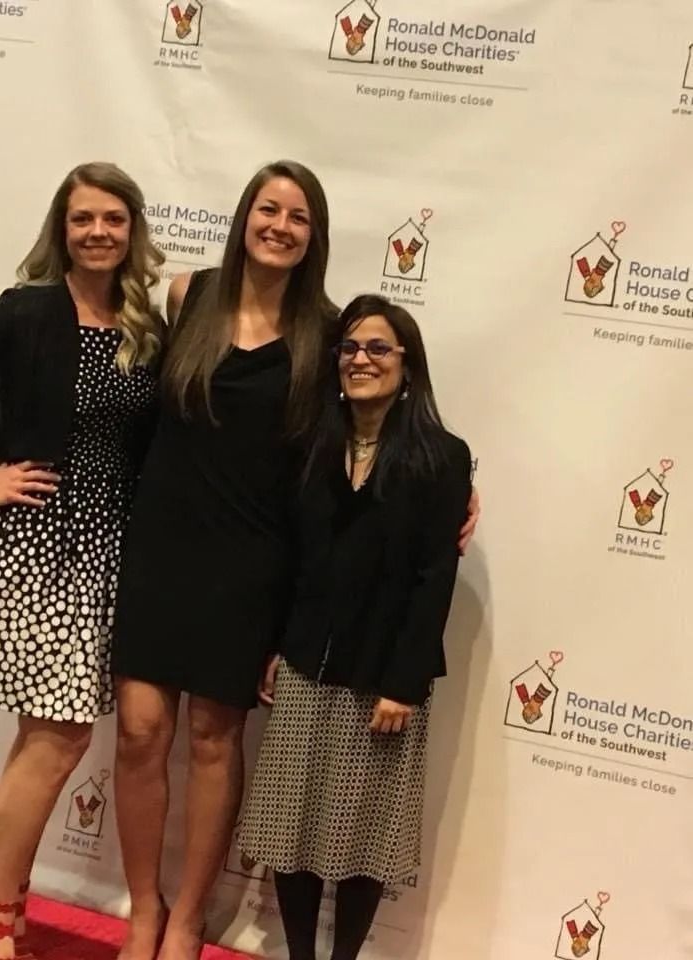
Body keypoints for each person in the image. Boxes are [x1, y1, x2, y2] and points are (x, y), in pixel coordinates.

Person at [111, 161, 480, 960]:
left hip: (252, 561)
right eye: (268, 208)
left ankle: (187, 920)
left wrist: (453, 494)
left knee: (214, 737)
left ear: (314, 237)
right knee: (141, 731)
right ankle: (144, 908)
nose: (280, 225)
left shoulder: (325, 329)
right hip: (161, 545)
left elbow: (363, 437)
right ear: (246, 216)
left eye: (299, 216)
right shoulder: (186, 295)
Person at [0, 162, 164, 960]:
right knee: (60, 737)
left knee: (49, 736)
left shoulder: (145, 323)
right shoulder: (28, 311)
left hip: (108, 542)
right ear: (62, 228)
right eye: (83, 219)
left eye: (114, 219)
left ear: (132, 229)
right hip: (34, 541)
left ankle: (1, 906)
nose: (98, 233)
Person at [237, 294, 472, 960]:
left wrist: (404, 682)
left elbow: (434, 581)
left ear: (407, 365)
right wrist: (279, 647)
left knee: (364, 834)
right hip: (307, 662)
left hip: (385, 680)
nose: (361, 360)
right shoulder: (312, 446)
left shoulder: (442, 457)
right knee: (291, 826)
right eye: (350, 348)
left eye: (378, 348)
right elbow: (292, 558)